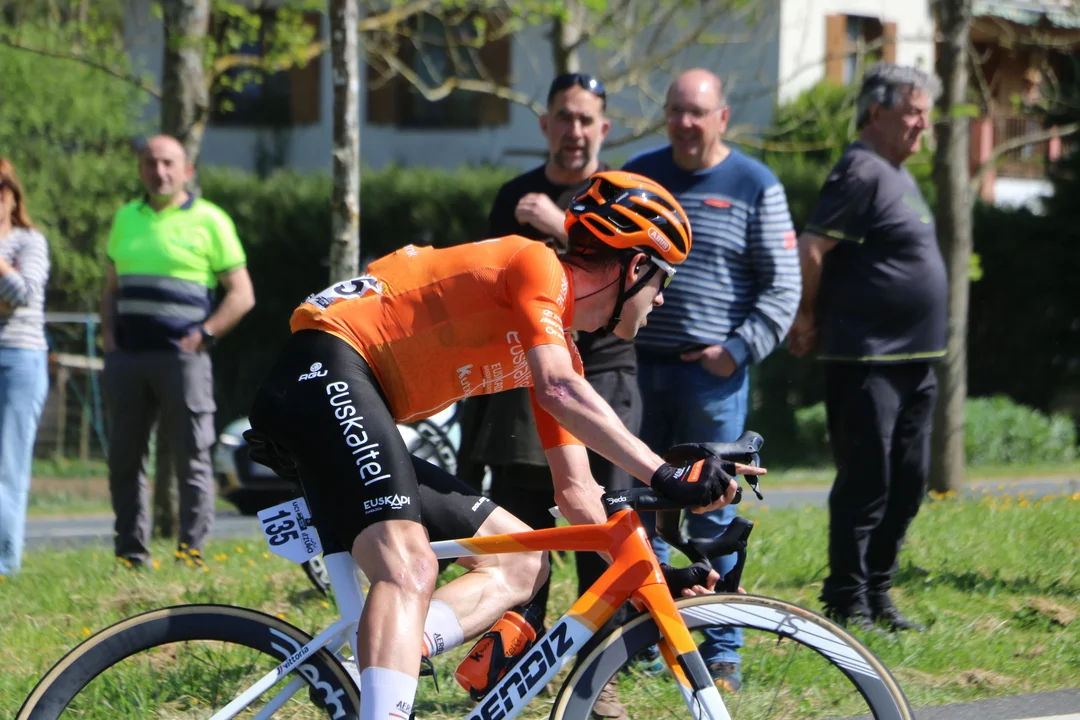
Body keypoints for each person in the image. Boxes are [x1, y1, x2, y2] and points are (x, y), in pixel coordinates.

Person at [247, 171, 757, 720]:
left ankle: (380, 662)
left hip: (341, 396)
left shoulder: (556, 348)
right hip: (325, 370)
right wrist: (664, 472)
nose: (662, 298)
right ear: (636, 268)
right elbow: (559, 390)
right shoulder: (537, 265)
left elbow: (578, 494)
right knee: (408, 566)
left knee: (522, 561)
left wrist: (650, 577)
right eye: (664, 279)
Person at [458, 73, 640, 718]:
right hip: (526, 377)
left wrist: (559, 224)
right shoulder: (514, 195)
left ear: (604, 128)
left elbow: (626, 286)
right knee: (523, 524)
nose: (575, 131)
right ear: (546, 124)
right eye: (564, 117)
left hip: (604, 373)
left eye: (586, 120)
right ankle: (511, 662)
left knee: (602, 522)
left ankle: (599, 674)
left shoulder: (619, 193)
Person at [621, 68, 801, 690]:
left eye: (697, 112)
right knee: (643, 510)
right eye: (676, 110)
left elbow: (784, 285)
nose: (685, 122)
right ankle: (647, 645)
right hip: (638, 374)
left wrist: (738, 350)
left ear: (723, 117)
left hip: (712, 381)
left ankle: (723, 652)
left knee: (713, 512)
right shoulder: (641, 175)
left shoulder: (755, 183)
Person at [788, 63, 945, 633]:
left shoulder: (896, 173)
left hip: (915, 360)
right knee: (867, 480)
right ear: (876, 112)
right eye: (913, 111)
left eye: (926, 112)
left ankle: (878, 591)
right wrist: (806, 316)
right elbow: (812, 248)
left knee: (909, 481)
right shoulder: (859, 169)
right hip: (867, 358)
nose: (923, 123)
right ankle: (847, 600)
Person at [100, 134, 255, 569]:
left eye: (169, 163)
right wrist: (109, 341)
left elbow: (242, 294)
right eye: (151, 163)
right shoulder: (125, 218)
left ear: (187, 170)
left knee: (192, 457)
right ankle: (131, 556)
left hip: (183, 360)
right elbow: (109, 289)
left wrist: (204, 334)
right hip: (128, 359)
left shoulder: (211, 220)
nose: (160, 171)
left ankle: (191, 553)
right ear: (140, 170)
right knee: (124, 460)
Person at [0, 157, 50, 578]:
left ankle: (3, 565)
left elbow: (21, 293)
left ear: (14, 196)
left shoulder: (30, 241)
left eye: (0, 187)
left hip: (19, 359)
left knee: (7, 467)